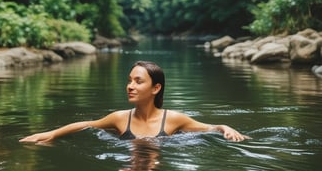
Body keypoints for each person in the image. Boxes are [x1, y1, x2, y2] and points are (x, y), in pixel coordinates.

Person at [19, 60, 250, 144]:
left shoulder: (173, 119)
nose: (130, 86)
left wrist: (226, 127)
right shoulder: (120, 118)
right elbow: (86, 125)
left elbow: (209, 128)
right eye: (129, 80)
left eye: (138, 81)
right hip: (127, 163)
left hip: (155, 163)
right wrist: (49, 134)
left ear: (156, 88)